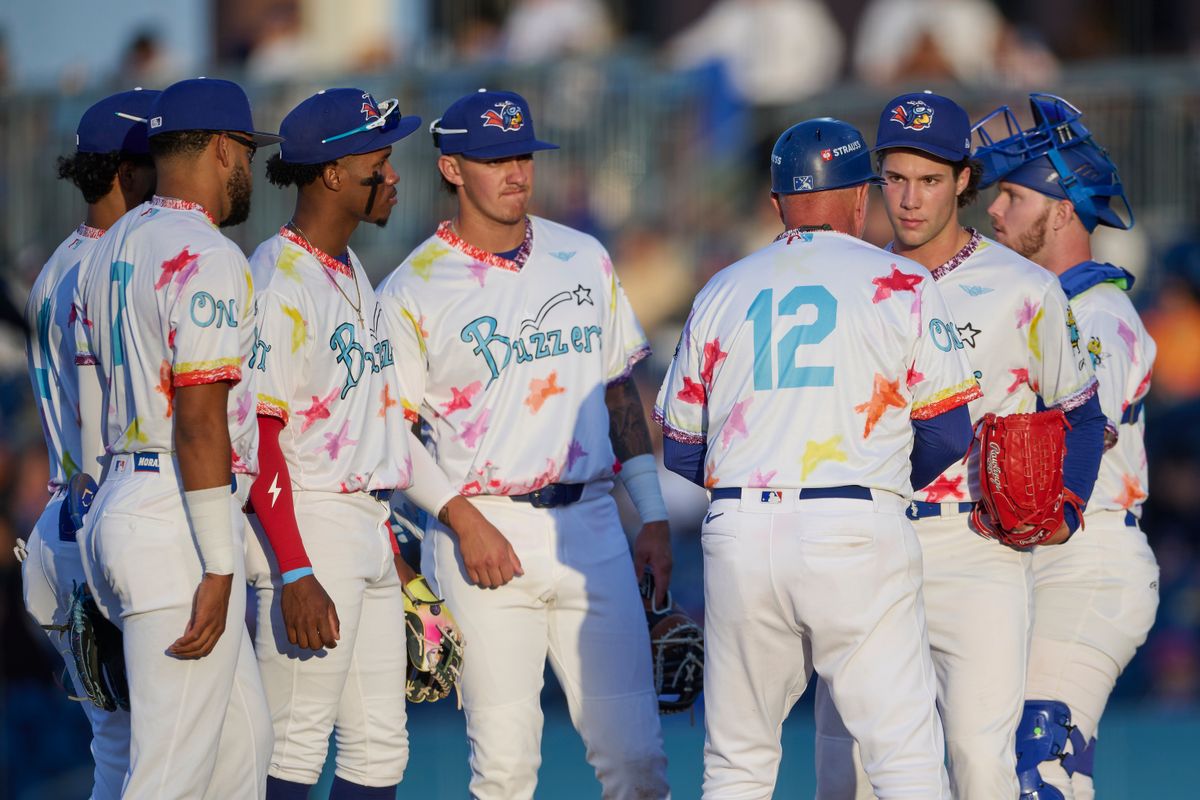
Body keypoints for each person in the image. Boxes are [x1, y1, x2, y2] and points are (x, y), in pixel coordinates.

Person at [657, 116, 979, 799]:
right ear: (862, 198)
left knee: (737, 762)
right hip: (854, 523)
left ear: (777, 204)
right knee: (902, 755)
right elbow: (951, 434)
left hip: (740, 529)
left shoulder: (723, 288)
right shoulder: (903, 283)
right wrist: (881, 480)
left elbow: (683, 448)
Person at [376, 88, 672, 799]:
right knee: (506, 772)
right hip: (482, 525)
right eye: (494, 158)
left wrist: (653, 513)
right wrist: (460, 518)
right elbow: (389, 432)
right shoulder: (412, 287)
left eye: (523, 155)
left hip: (593, 523)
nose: (515, 171)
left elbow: (616, 391)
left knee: (638, 765)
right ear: (452, 168)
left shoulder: (583, 256)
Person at [812, 92, 1107, 800]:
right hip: (867, 539)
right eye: (897, 178)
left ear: (964, 181)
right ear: (877, 179)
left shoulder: (1025, 288)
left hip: (976, 546)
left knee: (979, 763)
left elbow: (1083, 412)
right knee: (845, 774)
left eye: (932, 179)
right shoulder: (846, 282)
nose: (911, 200)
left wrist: (1067, 504)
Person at [74, 77, 278, 798]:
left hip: (124, 498)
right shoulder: (209, 254)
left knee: (244, 755)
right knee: (169, 780)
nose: (249, 169)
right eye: (249, 152)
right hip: (175, 519)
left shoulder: (115, 241)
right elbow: (198, 422)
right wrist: (221, 567)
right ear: (225, 148)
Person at [975, 93, 1160, 800]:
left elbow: (1087, 430)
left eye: (1013, 196)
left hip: (1089, 561)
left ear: (1063, 207)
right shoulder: (1030, 305)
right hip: (1034, 562)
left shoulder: (1097, 312)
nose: (994, 211)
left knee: (1037, 764)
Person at [244, 87, 422, 800]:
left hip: (364, 524)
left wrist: (394, 553)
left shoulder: (349, 268)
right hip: (306, 521)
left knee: (380, 754)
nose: (393, 173)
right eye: (380, 158)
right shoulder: (278, 279)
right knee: (292, 747)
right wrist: (293, 570)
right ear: (332, 173)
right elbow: (262, 438)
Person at [19, 87, 158, 799]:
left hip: (63, 532)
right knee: (171, 755)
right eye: (162, 156)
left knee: (120, 754)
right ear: (129, 172)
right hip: (110, 527)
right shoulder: (117, 268)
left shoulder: (61, 264)